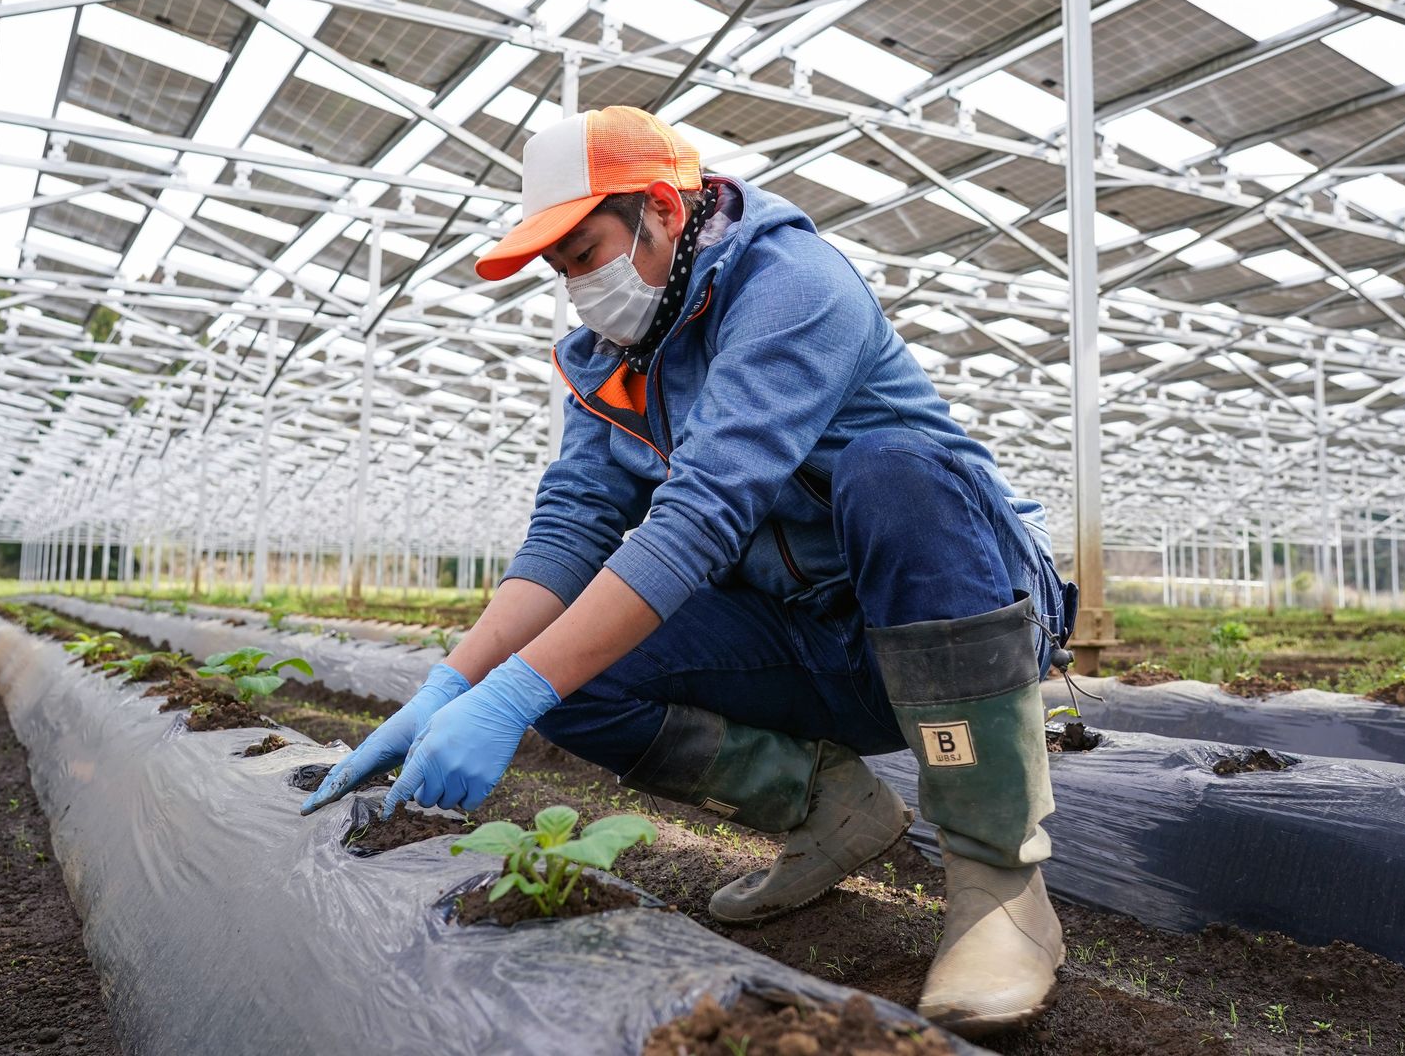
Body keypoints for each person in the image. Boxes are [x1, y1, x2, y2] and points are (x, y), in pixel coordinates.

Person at [301, 106, 1075, 1037]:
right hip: (807, 634)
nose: (577, 286)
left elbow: (703, 515)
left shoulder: (792, 283)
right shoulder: (610, 362)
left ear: (663, 210)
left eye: (585, 251)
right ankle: (828, 811)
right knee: (571, 669)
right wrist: (451, 686)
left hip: (955, 614)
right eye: (559, 267)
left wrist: (505, 698)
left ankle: (1000, 888)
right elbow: (573, 526)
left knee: (892, 472)